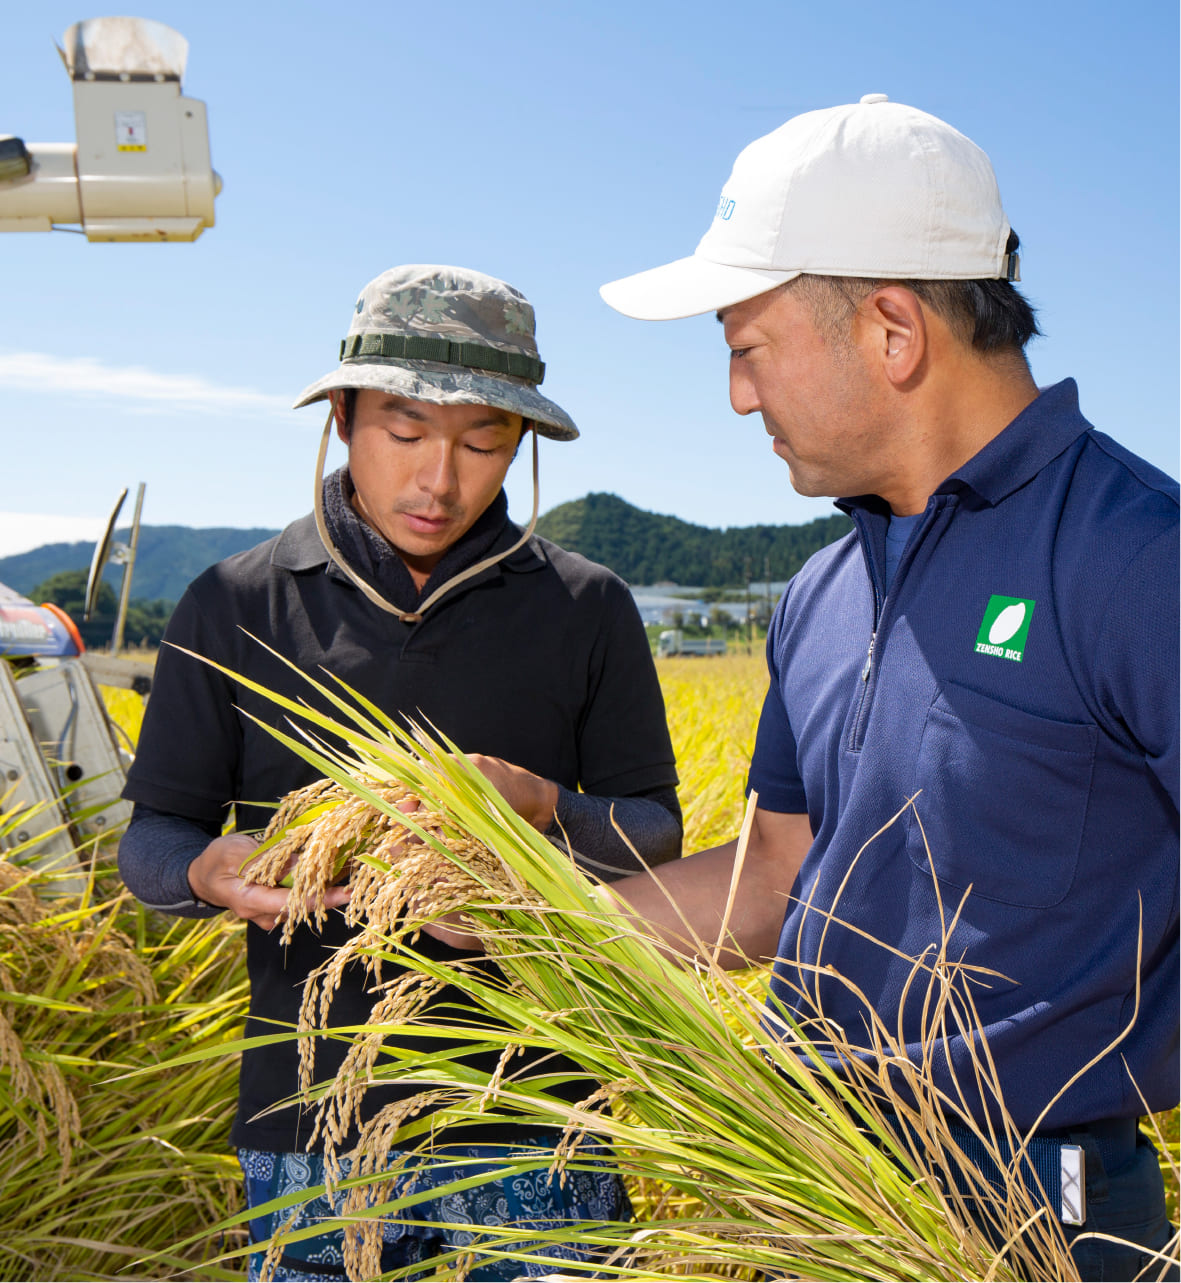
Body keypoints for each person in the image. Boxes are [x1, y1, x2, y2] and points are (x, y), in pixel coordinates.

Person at [591, 95, 1178, 1280]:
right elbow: (769, 881)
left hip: (1034, 1209)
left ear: (892, 331)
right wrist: (520, 919)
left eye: (744, 348)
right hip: (807, 1178)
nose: (736, 398)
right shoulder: (818, 591)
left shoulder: (1134, 559)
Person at [118, 264, 682, 1281]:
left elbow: (652, 829)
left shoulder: (583, 607)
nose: (440, 479)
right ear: (341, 417)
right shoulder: (237, 602)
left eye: (481, 442)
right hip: (311, 1127)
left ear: (518, 444)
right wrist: (212, 873)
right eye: (406, 432)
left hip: (533, 1117)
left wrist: (545, 810)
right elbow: (152, 837)